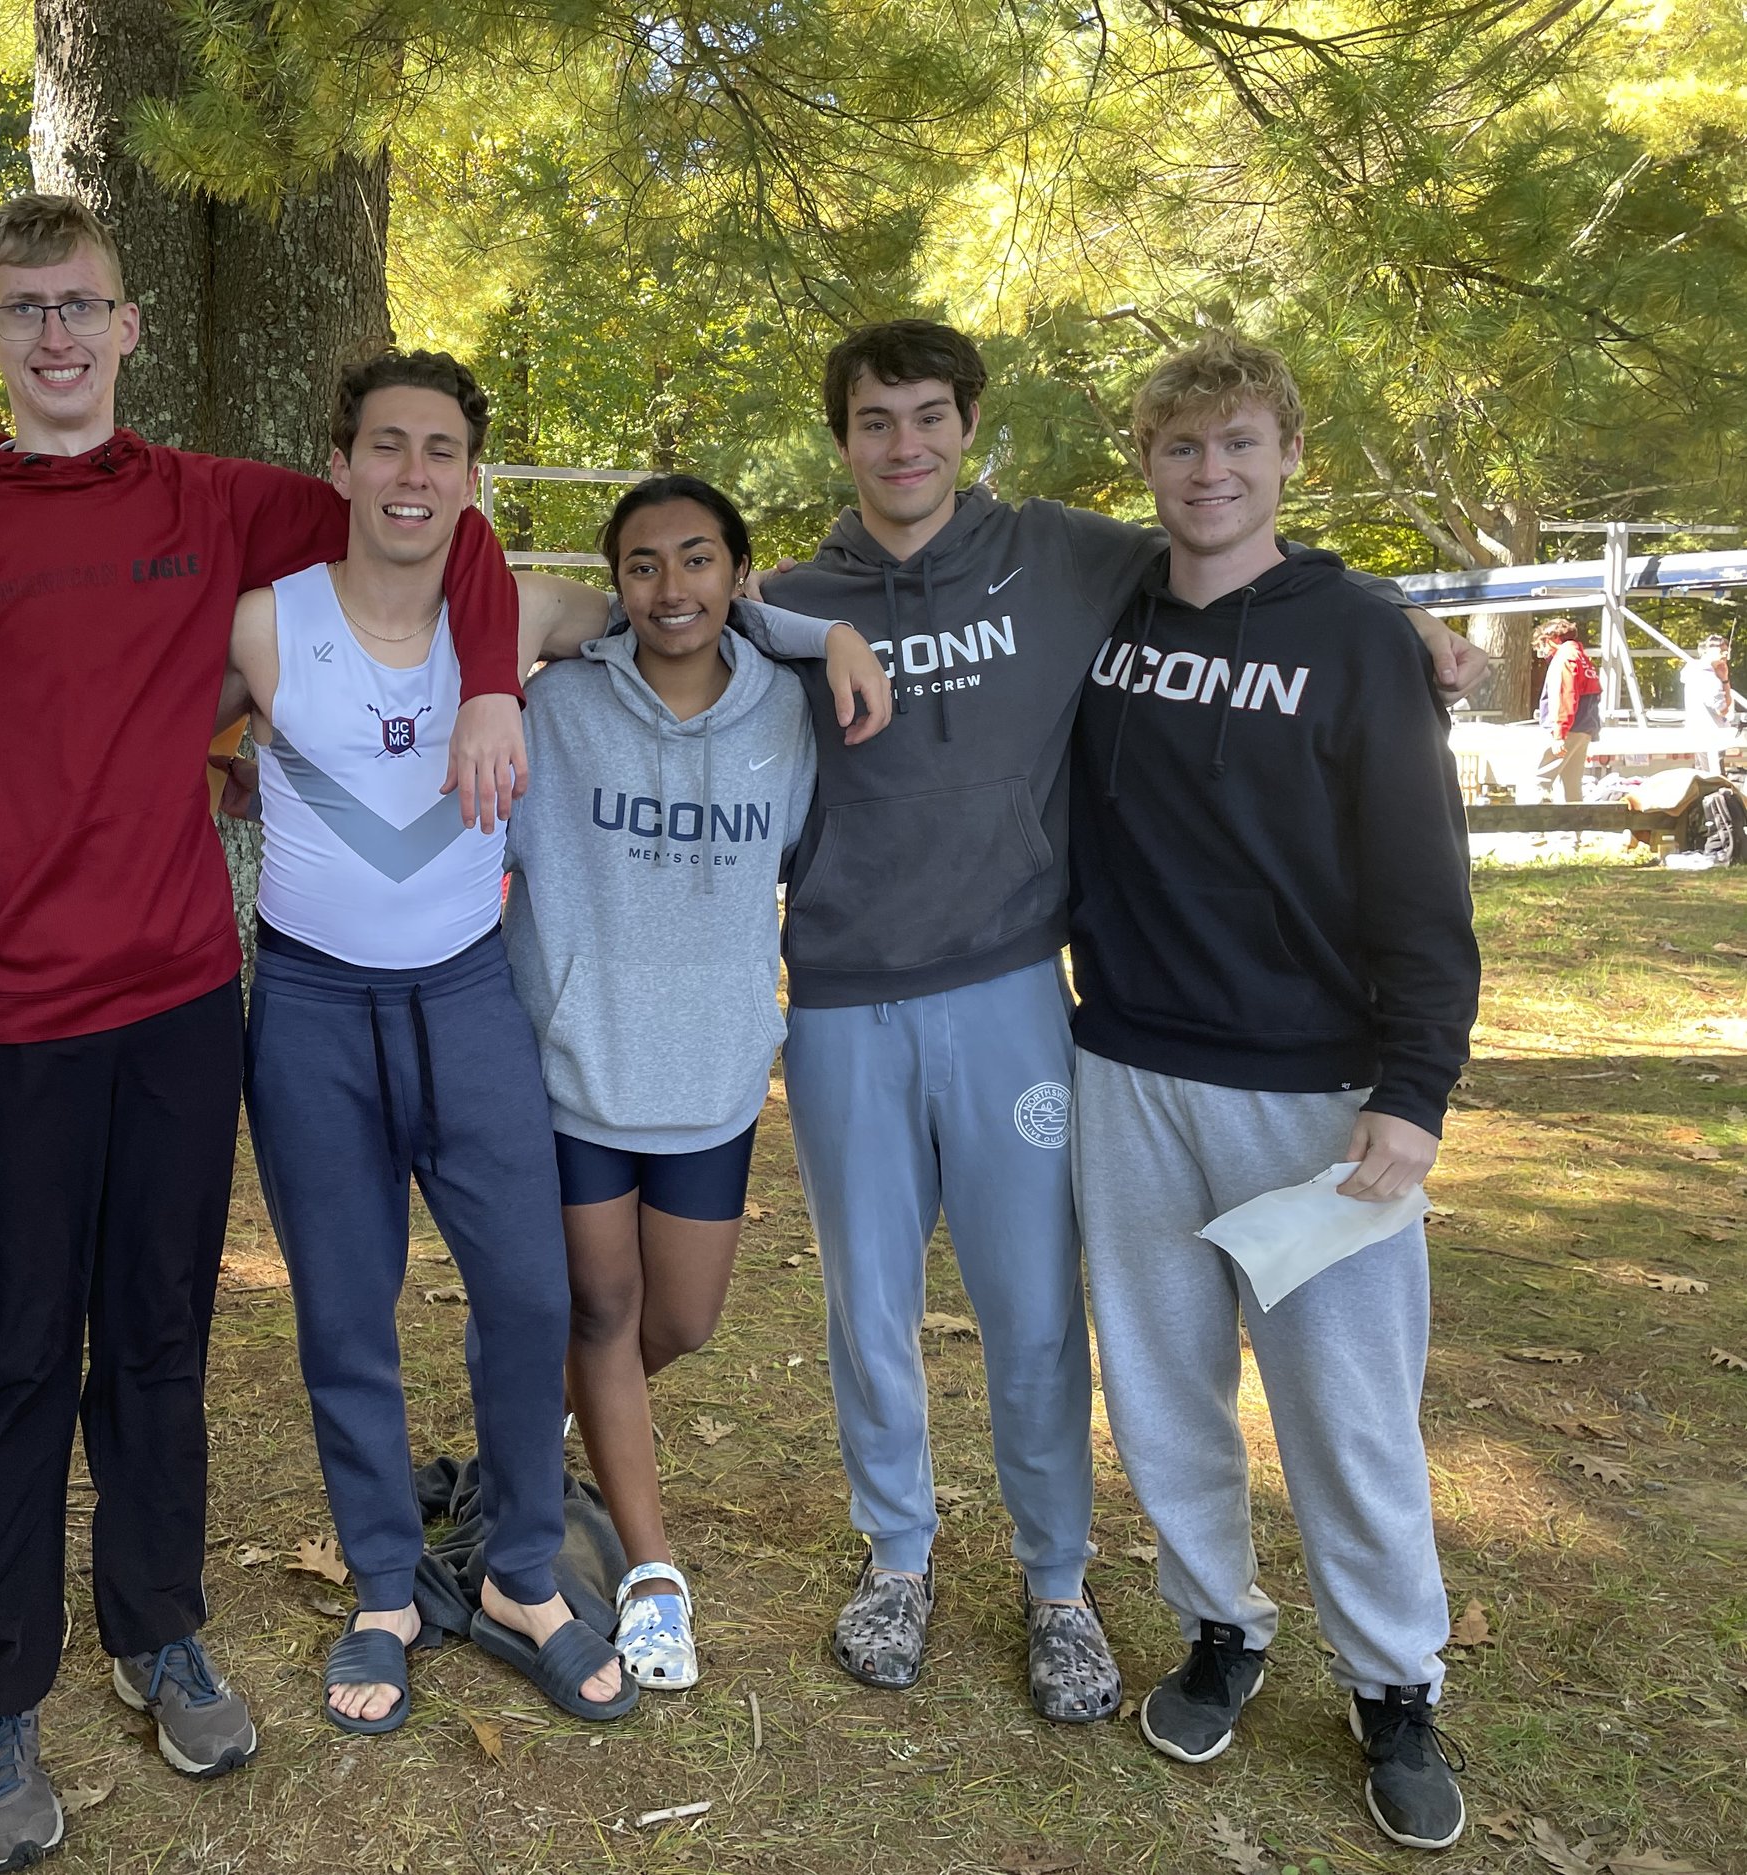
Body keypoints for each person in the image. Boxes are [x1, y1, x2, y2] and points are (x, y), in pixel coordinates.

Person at [0, 194, 530, 1868]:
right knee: (17, 1356)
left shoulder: (217, 503)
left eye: (83, 304)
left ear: (131, 326)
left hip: (175, 999)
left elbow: (440, 515)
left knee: (158, 1340)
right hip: (8, 1012)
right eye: (25, 310)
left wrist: (499, 682)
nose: (58, 336)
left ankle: (157, 1627)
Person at [755, 318, 1486, 1723]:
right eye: (872, 421)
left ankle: (1070, 1584)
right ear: (841, 437)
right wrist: (814, 623)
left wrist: (1403, 622)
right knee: (898, 1315)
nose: (903, 445)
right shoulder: (795, 592)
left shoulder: (1060, 553)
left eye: (927, 416)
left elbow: (1256, 575)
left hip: (1037, 1001)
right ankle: (903, 1555)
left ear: (968, 425)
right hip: (886, 1008)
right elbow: (678, 606)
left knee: (1051, 1313)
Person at [1067, 333, 1479, 1852]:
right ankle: (1220, 1624)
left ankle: (1394, 1682)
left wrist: (1415, 1090)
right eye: (1181, 447)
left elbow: (1426, 888)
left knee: (1347, 1408)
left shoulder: (1360, 633)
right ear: (1146, 464)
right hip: (1124, 1063)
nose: (1211, 471)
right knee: (1166, 1384)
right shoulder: (1106, 601)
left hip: (1317, 1088)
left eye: (1239, 442)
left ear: (1290, 453)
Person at [230, 349, 639, 1734]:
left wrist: (815, 628)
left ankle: (524, 1568)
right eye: (387, 446)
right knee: (347, 1309)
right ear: (338, 464)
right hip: (311, 1012)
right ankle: (387, 1587)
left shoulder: (515, 613)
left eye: (441, 452)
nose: (414, 474)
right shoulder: (265, 624)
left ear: (472, 477)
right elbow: (129, 721)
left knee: (528, 1293)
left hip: (468, 998)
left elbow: (670, 606)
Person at [503, 474, 819, 1691]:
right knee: (603, 1313)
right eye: (641, 564)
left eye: (697, 560)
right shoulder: (554, 709)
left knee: (676, 1323)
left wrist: (816, 633)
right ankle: (650, 1572)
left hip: (713, 1076)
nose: (669, 587)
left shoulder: (788, 714)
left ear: (740, 577)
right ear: (613, 583)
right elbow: (504, 613)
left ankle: (546, 1419)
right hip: (580, 1069)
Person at [1533, 617, 1600, 802]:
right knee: (1571, 786)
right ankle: (1571, 830)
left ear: (1552, 639)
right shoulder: (1582, 657)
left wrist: (1559, 734)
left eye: (1542, 645)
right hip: (1584, 729)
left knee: (1538, 782)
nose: (1543, 652)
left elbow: (1565, 695)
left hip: (1566, 730)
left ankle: (1530, 830)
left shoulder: (1564, 658)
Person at [1680, 632, 1732, 775]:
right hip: (1712, 737)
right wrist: (1724, 681)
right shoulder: (1708, 677)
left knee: (1702, 778)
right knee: (1715, 782)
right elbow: (1723, 709)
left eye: (1726, 650)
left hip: (1699, 734)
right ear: (1708, 651)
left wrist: (1724, 678)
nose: (1725, 654)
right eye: (1721, 650)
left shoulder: (1692, 671)